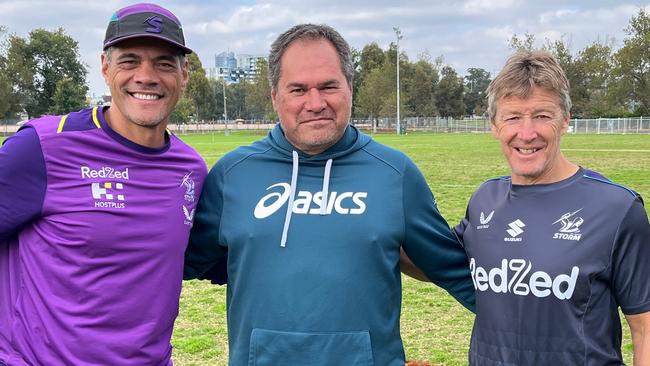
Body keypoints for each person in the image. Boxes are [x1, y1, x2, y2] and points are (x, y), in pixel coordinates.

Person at [184, 24, 475, 365]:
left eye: (328, 86)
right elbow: (179, 263)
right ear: (275, 96)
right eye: (298, 89)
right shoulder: (233, 174)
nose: (315, 102)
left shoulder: (395, 174)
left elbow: (461, 275)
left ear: (350, 88)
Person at [0, 3, 206, 365]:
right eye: (129, 60)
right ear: (105, 68)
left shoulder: (190, 169)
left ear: (184, 74)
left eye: (163, 63)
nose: (146, 76)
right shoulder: (42, 147)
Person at [454, 51, 650, 365]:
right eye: (513, 116)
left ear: (565, 121)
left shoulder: (617, 208)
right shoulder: (484, 200)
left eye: (542, 115)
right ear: (494, 125)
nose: (527, 133)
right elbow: (436, 261)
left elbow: (645, 328)